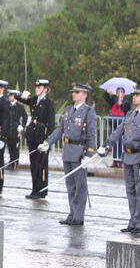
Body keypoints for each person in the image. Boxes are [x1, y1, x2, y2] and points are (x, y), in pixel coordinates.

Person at [39, 83, 98, 226]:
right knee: (70, 186)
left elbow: (91, 135)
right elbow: (60, 130)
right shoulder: (68, 110)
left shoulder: (88, 112)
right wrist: (48, 142)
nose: (74, 94)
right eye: (73, 92)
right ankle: (72, 213)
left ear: (85, 95)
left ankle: (78, 216)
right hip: (68, 151)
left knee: (80, 187)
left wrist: (89, 154)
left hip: (79, 152)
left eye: (77, 92)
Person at [98, 89, 140, 234]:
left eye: (137, 95)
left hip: (139, 157)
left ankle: (138, 223)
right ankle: (133, 222)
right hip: (127, 157)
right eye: (134, 95)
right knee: (130, 191)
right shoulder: (129, 114)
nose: (134, 97)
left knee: (139, 191)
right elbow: (118, 131)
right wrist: (107, 145)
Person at [20, 79, 55, 198]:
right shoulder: (34, 100)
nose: (36, 89)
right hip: (33, 136)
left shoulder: (49, 103)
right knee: (34, 164)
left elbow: (51, 123)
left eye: (39, 87)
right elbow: (21, 99)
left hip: (42, 137)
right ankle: (35, 189)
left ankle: (42, 190)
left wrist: (47, 141)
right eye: (36, 87)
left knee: (42, 165)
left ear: (45, 89)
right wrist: (21, 94)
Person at [104, 87, 130, 168]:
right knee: (114, 143)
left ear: (124, 94)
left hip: (122, 126)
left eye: (121, 92)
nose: (120, 93)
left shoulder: (126, 102)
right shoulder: (113, 101)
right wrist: (107, 92)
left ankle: (120, 160)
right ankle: (115, 161)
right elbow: (107, 99)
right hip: (113, 125)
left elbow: (126, 111)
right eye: (118, 91)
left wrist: (121, 104)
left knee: (121, 144)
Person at [6, 90, 27, 170]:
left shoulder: (19, 106)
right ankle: (11, 161)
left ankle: (15, 163)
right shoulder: (8, 105)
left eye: (11, 96)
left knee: (15, 148)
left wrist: (22, 125)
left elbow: (25, 117)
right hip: (9, 129)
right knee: (10, 146)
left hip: (15, 130)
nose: (9, 97)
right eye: (9, 96)